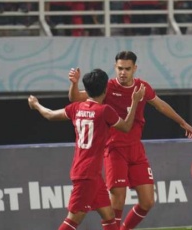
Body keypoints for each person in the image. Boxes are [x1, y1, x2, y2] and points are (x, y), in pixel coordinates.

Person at [68, 51, 192, 230]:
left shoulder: (142, 87)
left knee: (147, 202)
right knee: (117, 201)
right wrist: (74, 84)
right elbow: (75, 98)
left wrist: (182, 122)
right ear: (115, 67)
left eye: (127, 69)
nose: (123, 72)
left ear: (134, 69)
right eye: (120, 68)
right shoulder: (108, 87)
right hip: (114, 148)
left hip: (136, 149)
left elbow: (160, 105)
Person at [28, 69, 146, 230]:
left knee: (109, 216)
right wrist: (135, 102)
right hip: (87, 175)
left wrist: (36, 105)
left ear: (87, 89)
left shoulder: (76, 108)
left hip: (90, 173)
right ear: (106, 89)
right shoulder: (104, 111)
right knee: (73, 220)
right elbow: (126, 127)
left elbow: (50, 115)